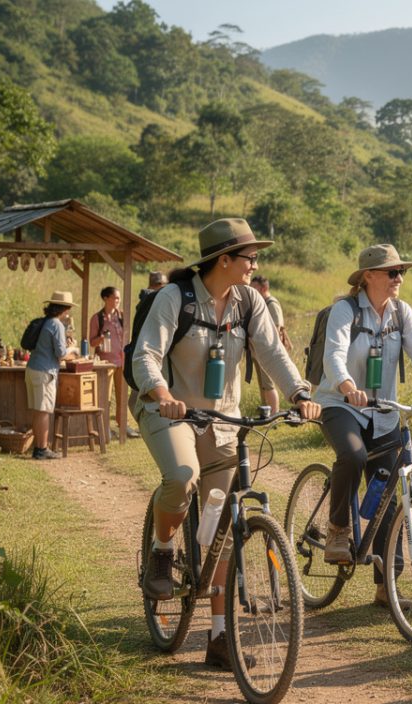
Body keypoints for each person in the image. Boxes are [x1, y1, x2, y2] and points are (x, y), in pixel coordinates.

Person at [134, 218, 321, 671]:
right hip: (170, 412)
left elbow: (273, 352)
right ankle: (162, 551)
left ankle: (219, 636)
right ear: (224, 260)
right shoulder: (173, 299)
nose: (255, 264)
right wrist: (163, 395)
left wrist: (299, 393)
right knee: (182, 476)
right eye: (249, 257)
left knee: (222, 524)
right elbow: (145, 356)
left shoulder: (249, 301)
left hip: (223, 422)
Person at [315, 243, 412, 610]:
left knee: (389, 497)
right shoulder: (345, 310)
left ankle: (387, 586)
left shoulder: (402, 313)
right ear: (368, 276)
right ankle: (338, 529)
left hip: (384, 411)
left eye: (402, 272)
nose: (399, 278)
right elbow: (333, 354)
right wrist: (347, 386)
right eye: (392, 272)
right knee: (352, 455)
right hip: (341, 405)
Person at [25, 291, 79, 460]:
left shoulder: (45, 322)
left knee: (36, 410)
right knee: (44, 411)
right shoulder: (56, 325)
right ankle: (42, 448)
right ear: (64, 309)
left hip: (33, 368)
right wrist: (74, 348)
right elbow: (61, 354)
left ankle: (38, 447)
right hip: (45, 372)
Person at [88, 286, 139, 439]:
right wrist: (102, 338)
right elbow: (92, 342)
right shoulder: (97, 318)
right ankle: (104, 427)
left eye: (119, 298)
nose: (118, 301)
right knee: (106, 397)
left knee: (122, 395)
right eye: (115, 298)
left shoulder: (122, 316)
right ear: (106, 298)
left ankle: (123, 424)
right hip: (105, 363)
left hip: (122, 361)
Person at [249, 275, 291, 414]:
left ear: (264, 288)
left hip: (269, 351)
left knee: (268, 385)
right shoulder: (262, 303)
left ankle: (274, 414)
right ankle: (265, 411)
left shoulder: (271, 303)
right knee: (263, 384)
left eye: (254, 287)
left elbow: (275, 329)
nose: (251, 290)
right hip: (258, 350)